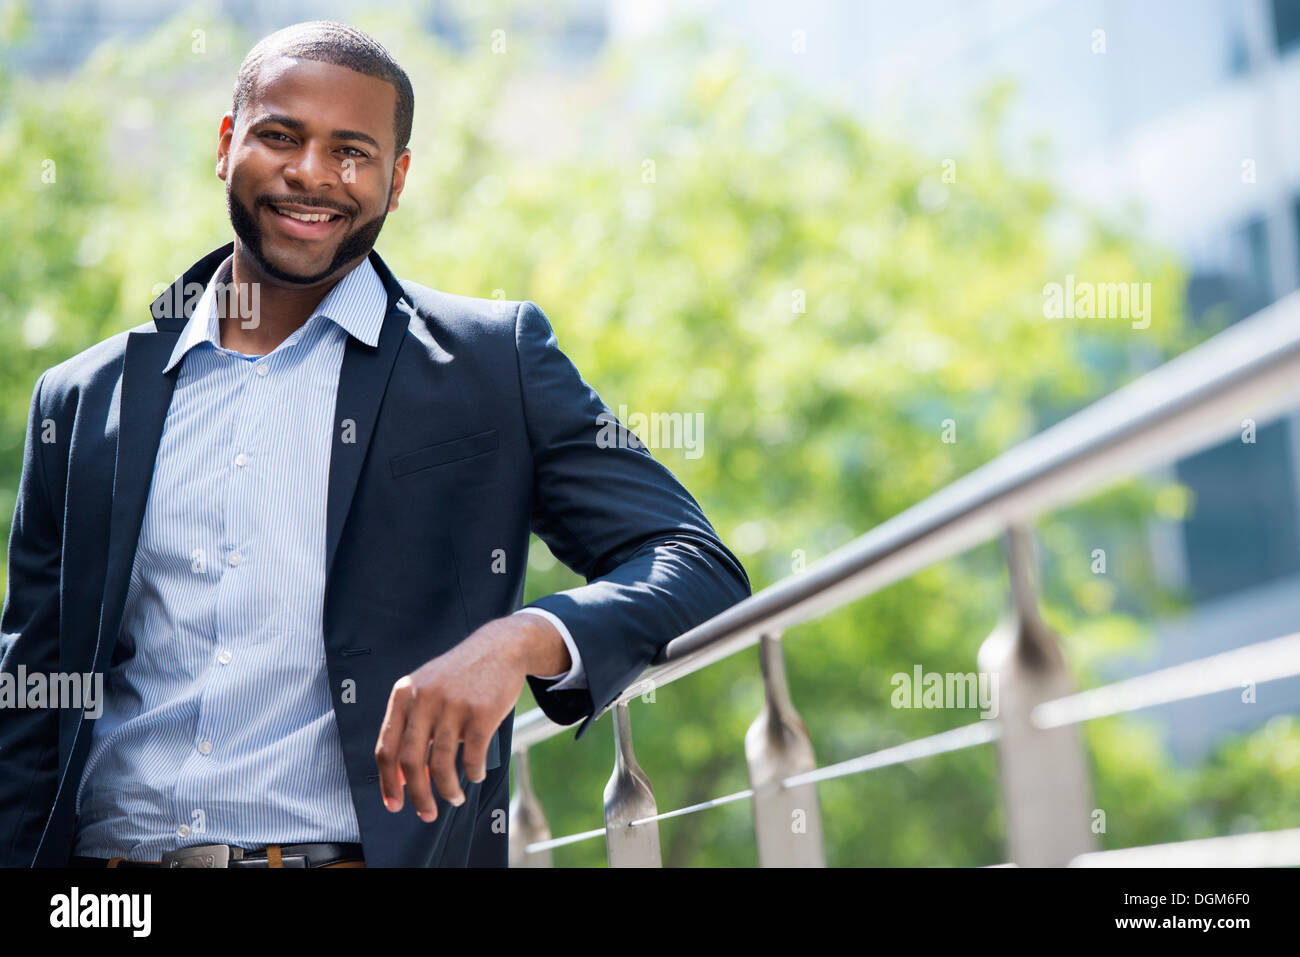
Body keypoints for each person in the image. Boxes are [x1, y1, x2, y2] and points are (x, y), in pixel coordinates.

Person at [0, 20, 750, 868]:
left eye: (351, 151)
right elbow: (28, 706)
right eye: (280, 136)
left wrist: (519, 639)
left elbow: (693, 561)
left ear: (396, 181)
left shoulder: (489, 364)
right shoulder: (84, 397)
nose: (312, 173)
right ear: (225, 144)